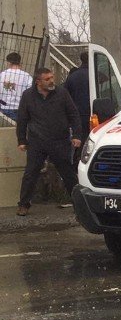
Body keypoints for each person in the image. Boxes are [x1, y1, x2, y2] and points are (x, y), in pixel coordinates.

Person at [15, 67, 82, 216]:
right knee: (30, 173)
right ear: (38, 81)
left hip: (59, 141)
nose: (52, 81)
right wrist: (21, 140)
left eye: (52, 77)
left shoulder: (62, 93)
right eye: (47, 79)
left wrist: (77, 135)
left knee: (68, 174)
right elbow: (22, 119)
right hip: (37, 142)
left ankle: (79, 205)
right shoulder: (28, 96)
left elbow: (73, 115)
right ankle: (24, 204)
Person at [64, 51, 92, 163]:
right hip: (95, 113)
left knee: (78, 140)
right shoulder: (98, 75)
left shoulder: (72, 77)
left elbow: (66, 96)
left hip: (77, 115)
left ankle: (77, 162)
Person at [0, 52, 33, 126]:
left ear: (8, 62)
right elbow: (31, 92)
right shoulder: (26, 76)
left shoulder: (2, 74)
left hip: (4, 107)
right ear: (19, 62)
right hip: (20, 107)